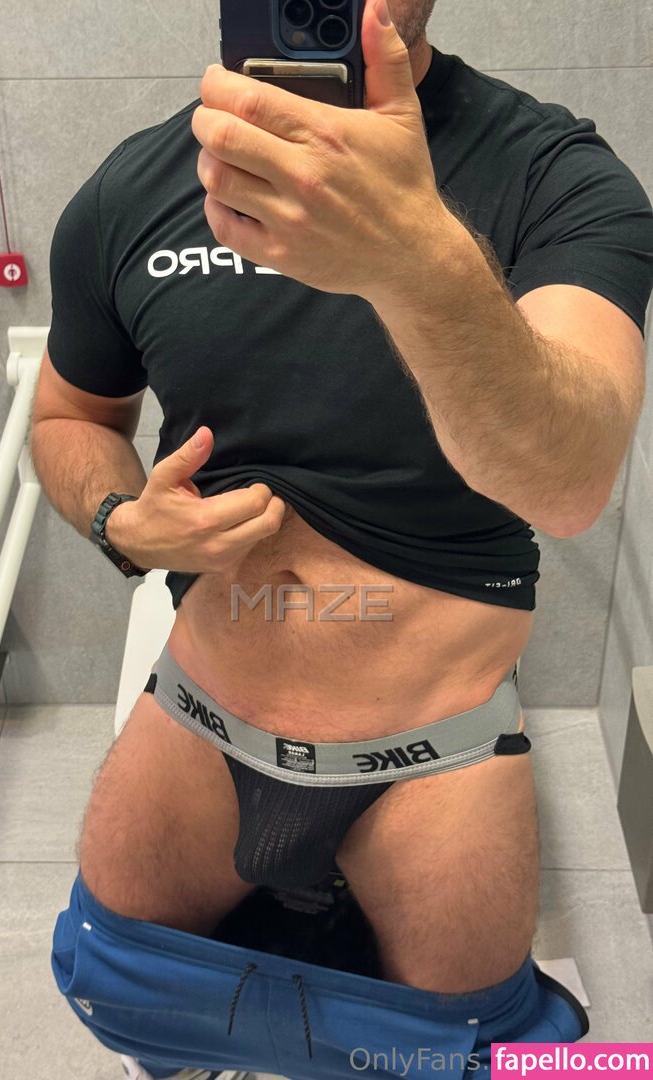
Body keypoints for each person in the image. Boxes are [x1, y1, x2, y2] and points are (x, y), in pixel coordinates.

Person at [37, 1, 653, 1077]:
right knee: (121, 996)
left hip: (436, 760)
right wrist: (121, 520)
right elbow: (69, 417)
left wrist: (414, 262)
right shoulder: (132, 189)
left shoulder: (556, 176)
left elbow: (569, 483)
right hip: (200, 724)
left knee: (469, 1059)